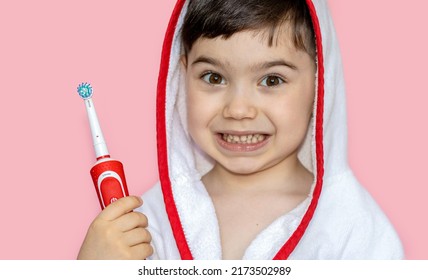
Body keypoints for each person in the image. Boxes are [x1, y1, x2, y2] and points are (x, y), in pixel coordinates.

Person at [78, 0, 404, 260]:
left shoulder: (355, 228)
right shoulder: (147, 221)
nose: (238, 110)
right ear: (182, 78)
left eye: (272, 80)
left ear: (321, 85)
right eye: (214, 78)